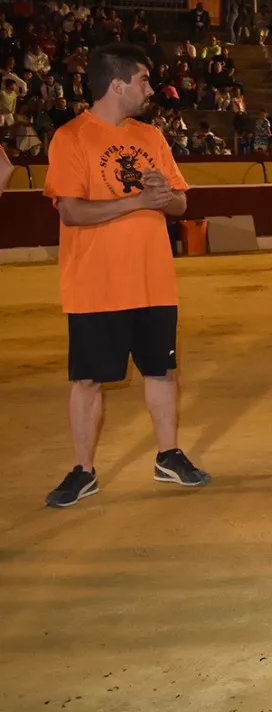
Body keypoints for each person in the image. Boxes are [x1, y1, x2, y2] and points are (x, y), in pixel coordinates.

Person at [40, 44, 209, 507]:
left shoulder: (151, 136)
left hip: (153, 279)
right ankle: (83, 469)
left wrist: (162, 195)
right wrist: (138, 200)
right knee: (89, 380)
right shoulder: (71, 137)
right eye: (143, 81)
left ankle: (168, 454)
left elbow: (179, 203)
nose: (150, 89)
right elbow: (71, 211)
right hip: (96, 282)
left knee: (162, 370)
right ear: (117, 85)